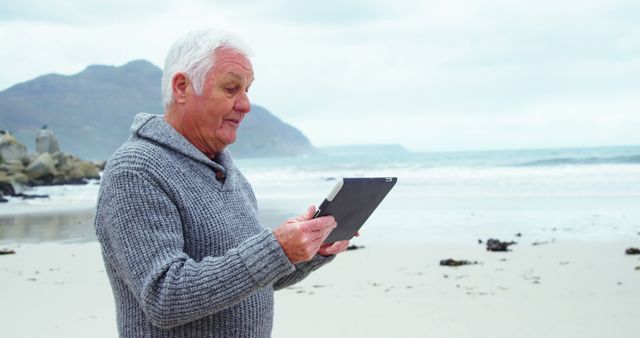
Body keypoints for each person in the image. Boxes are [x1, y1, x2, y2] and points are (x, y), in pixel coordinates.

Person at [94, 29, 352, 338]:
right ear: (181, 87)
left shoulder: (226, 170)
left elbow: (251, 278)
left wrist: (307, 251)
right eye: (231, 88)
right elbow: (165, 297)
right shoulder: (136, 171)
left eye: (247, 90)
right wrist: (275, 248)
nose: (245, 104)